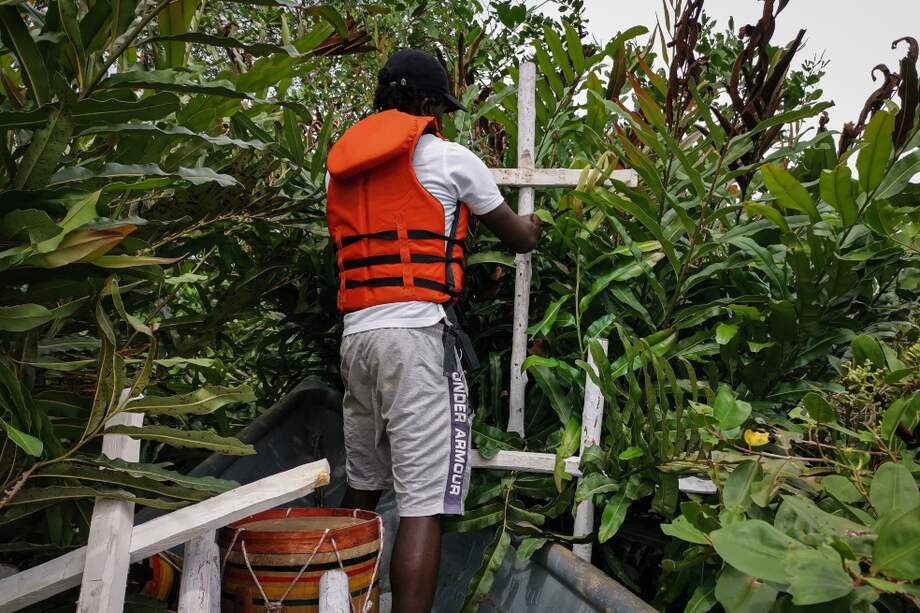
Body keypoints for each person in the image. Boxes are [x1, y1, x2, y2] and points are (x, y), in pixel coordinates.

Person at [325, 48, 542, 613]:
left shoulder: (339, 170)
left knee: (364, 485)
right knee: (423, 504)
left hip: (357, 338)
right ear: (426, 104)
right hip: (416, 338)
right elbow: (517, 236)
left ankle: (331, 599)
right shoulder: (449, 159)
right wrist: (536, 225)